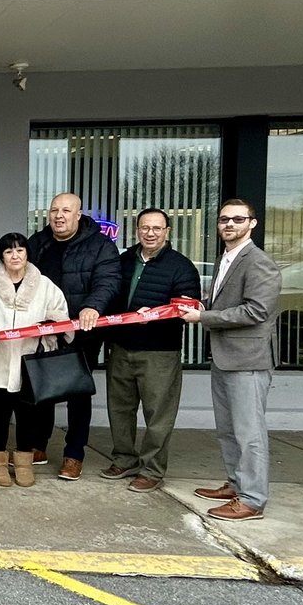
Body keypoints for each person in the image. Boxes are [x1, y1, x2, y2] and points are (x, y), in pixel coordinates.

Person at [180, 199, 282, 521]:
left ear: (252, 223)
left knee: (249, 433)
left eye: (238, 219)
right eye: (224, 219)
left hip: (249, 360)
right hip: (226, 357)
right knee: (228, 430)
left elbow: (256, 311)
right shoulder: (226, 258)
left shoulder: (258, 262)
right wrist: (200, 304)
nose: (229, 224)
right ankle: (236, 484)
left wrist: (203, 316)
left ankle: (252, 500)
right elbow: (225, 301)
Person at [102, 209, 201, 492]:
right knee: (120, 409)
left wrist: (156, 314)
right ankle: (124, 458)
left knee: (158, 415)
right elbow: (109, 295)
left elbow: (187, 308)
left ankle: (152, 470)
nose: (150, 233)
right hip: (121, 347)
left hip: (160, 351)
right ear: (137, 229)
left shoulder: (181, 267)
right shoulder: (123, 261)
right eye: (145, 227)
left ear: (167, 231)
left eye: (157, 228)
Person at [27, 192, 122, 481]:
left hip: (82, 333)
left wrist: (93, 306)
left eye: (66, 210)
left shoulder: (100, 245)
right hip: (43, 331)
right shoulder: (37, 243)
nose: (59, 215)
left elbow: (109, 280)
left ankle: (74, 455)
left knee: (77, 394)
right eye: (54, 210)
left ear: (78, 215)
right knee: (40, 389)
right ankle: (37, 446)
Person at [0, 233, 72, 487]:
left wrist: (45, 326)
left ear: (27, 253)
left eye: (20, 251)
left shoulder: (45, 284)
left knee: (28, 415)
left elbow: (61, 315)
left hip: (31, 358)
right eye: (8, 252)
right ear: (1, 256)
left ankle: (24, 463)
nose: (15, 256)